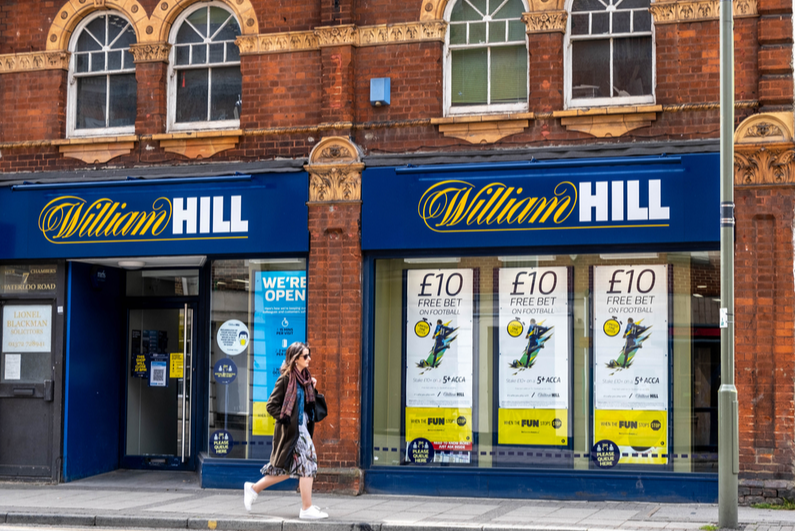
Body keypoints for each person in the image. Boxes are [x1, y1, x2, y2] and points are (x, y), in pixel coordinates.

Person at [243, 342, 328, 520]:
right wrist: (286, 420)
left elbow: (309, 408)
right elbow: (271, 405)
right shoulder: (285, 380)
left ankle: (254, 488)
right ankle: (306, 508)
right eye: (305, 356)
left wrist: (311, 387)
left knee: (289, 469)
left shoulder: (305, 378)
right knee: (308, 463)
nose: (309, 359)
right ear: (295, 359)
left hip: (302, 428)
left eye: (309, 355)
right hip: (292, 431)